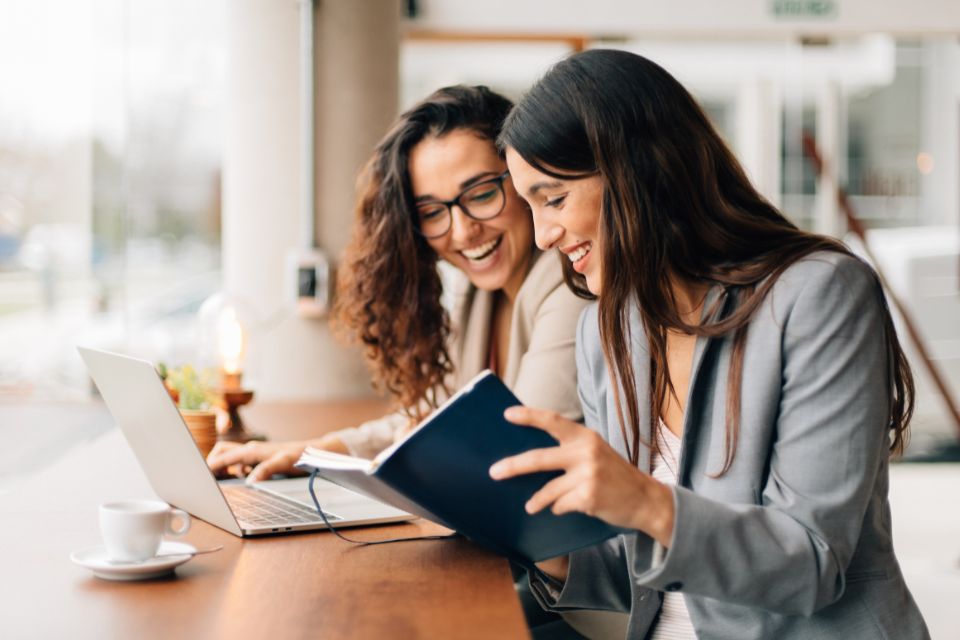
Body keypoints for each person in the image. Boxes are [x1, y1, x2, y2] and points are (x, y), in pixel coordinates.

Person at [491, 49, 930, 639]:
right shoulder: (605, 332)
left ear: (636, 170)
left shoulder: (819, 294)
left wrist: (646, 502)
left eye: (554, 199)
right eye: (530, 206)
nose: (543, 236)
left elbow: (812, 561)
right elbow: (632, 571)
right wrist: (532, 536)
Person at [206, 85, 587, 486]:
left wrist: (421, 451)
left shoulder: (569, 287)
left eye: (481, 193)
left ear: (523, 177)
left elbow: (520, 452)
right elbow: (425, 421)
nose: (463, 231)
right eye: (432, 211)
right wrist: (306, 451)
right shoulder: (478, 296)